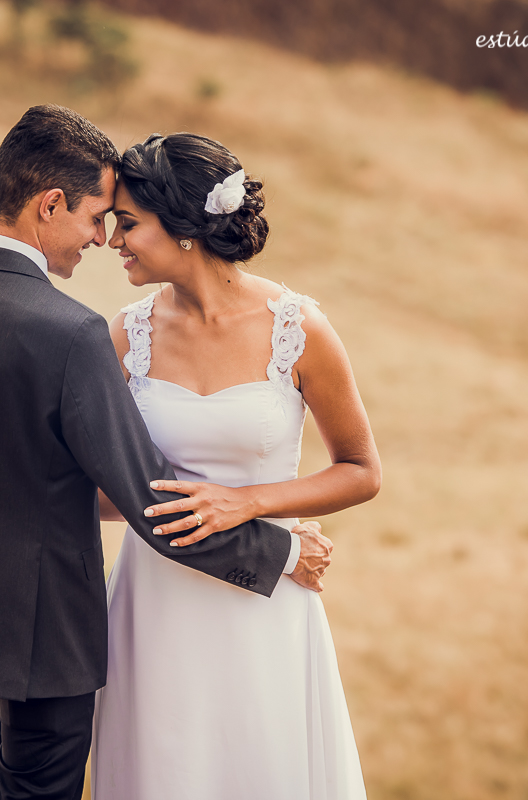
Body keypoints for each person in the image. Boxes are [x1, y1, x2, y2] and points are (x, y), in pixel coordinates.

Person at [0, 105, 333, 800]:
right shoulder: (72, 330)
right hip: (47, 644)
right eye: (94, 217)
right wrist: (282, 553)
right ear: (49, 204)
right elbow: (150, 499)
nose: (100, 238)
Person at [90, 133, 382, 799]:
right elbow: (110, 493)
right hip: (154, 609)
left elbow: (362, 469)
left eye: (128, 223)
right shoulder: (124, 336)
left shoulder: (298, 329)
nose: (114, 241)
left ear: (186, 227)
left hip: (264, 609)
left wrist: (250, 504)